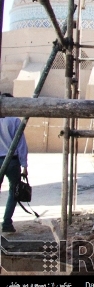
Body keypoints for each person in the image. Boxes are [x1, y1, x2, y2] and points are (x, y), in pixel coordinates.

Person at [0, 93, 28, 234]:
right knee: (13, 192)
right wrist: (24, 165)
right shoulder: (15, 121)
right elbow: (21, 144)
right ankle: (6, 224)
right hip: (12, 160)